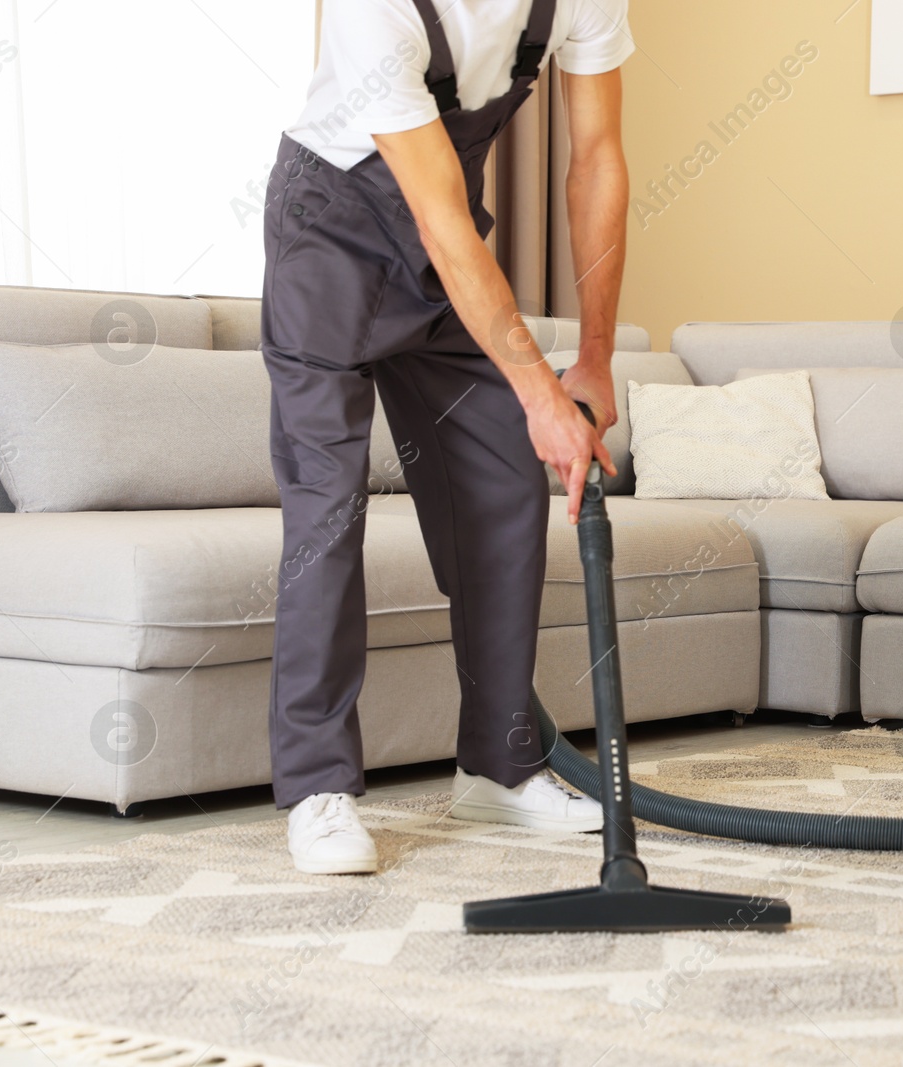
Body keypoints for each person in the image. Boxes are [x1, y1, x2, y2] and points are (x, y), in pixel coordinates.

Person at [260, 0, 633, 874]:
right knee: (328, 506)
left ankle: (497, 765)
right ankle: (318, 787)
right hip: (331, 239)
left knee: (504, 482)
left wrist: (596, 354)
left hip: (445, 250)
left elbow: (597, 160)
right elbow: (439, 217)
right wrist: (538, 388)